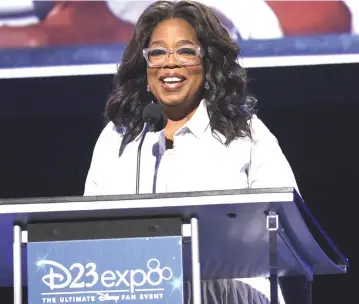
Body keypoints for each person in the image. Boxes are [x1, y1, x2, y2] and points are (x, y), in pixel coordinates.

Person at [84, 0, 299, 303]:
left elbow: (288, 231)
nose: (170, 63)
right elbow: (85, 236)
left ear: (207, 63)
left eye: (185, 51)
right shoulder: (118, 138)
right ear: (145, 65)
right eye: (157, 52)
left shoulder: (245, 133)